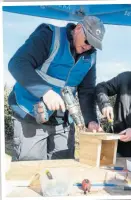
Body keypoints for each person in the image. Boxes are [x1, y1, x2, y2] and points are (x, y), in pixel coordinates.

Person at [8, 16, 105, 161]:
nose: (88, 47)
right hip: (30, 115)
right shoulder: (49, 36)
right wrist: (45, 92)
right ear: (78, 28)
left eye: (93, 45)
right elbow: (17, 63)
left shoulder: (90, 57)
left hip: (62, 122)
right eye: (87, 41)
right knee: (32, 171)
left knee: (63, 169)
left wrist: (91, 120)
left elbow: (87, 91)